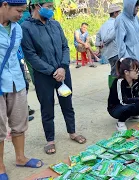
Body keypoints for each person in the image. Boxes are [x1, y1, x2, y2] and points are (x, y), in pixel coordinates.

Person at [21, 0, 87, 155]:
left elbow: (65, 46)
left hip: (63, 72)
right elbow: (31, 55)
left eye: (52, 7)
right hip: (43, 75)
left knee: (67, 103)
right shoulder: (26, 27)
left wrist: (63, 67)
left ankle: (72, 132)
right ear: (36, 6)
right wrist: (52, 71)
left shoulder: (55, 24)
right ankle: (50, 140)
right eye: (48, 7)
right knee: (47, 107)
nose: (50, 10)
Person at [0, 0, 44, 178]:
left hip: (16, 80)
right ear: (4, 5)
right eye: (19, 11)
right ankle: (0, 167)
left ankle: (20, 157)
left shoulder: (17, 28)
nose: (21, 15)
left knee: (19, 121)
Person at [95, 4, 121, 87]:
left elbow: (98, 35)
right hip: (115, 52)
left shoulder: (104, 25)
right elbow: (111, 36)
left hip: (108, 53)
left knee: (114, 71)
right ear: (115, 13)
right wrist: (104, 41)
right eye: (119, 12)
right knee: (117, 73)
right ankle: (115, 92)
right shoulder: (116, 23)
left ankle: (114, 91)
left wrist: (99, 44)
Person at [115, 0, 139, 66]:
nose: (138, 7)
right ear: (128, 5)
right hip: (129, 61)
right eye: (135, 5)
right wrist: (126, 60)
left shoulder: (136, 19)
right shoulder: (120, 19)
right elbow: (120, 42)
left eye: (138, 5)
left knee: (138, 76)